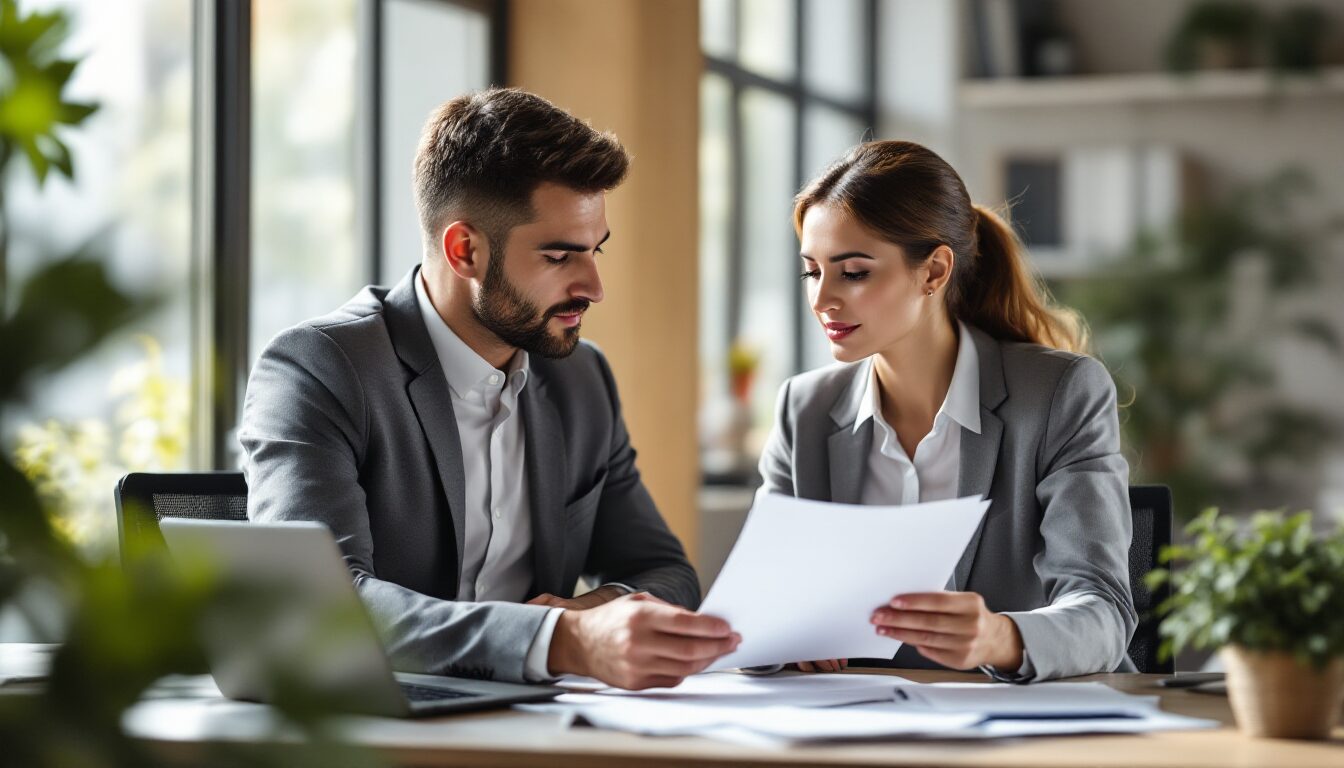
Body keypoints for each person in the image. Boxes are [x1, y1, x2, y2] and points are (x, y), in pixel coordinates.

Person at [240, 88, 738, 691]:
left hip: (540, 723)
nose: (594, 286)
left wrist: (587, 613)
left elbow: (664, 570)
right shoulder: (321, 368)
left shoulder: (582, 379)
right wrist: (560, 642)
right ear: (465, 250)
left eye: (596, 251)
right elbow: (318, 605)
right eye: (560, 256)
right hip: (379, 730)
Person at [759, 140, 1136, 682]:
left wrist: (999, 636)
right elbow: (761, 598)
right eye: (812, 272)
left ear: (934, 272)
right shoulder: (805, 409)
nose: (822, 300)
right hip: (857, 727)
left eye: (854, 272)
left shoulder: (1060, 394)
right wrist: (783, 632)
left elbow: (1102, 611)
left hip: (1020, 731)